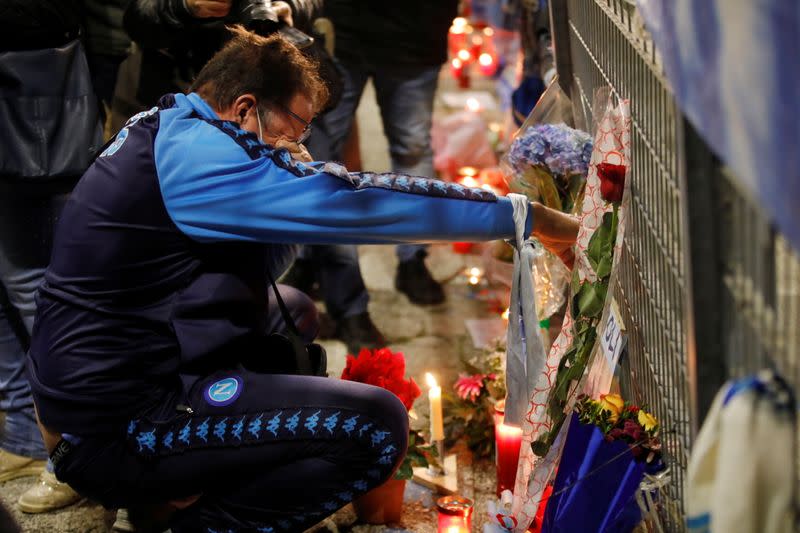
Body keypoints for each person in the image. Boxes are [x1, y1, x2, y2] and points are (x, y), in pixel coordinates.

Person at [28, 30, 578, 532]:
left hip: (91, 390)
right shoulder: (202, 159)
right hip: (111, 429)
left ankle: (179, 482)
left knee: (290, 309)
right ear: (245, 108)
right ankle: (193, 518)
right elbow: (363, 201)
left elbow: (263, 268)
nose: (290, 153)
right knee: (378, 427)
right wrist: (526, 217)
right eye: (287, 135)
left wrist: (288, 190)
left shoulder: (172, 122)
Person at [0, 0, 102, 514]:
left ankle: (74, 454)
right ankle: (22, 434)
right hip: (23, 104)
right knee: (4, 287)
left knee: (41, 295)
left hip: (36, 103)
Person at [295, 0, 461, 309]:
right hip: (339, 34)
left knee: (412, 149)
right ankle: (308, 256)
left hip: (416, 37)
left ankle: (413, 259)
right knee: (318, 151)